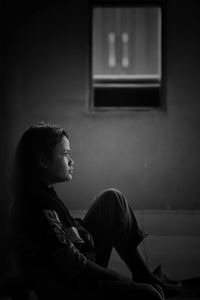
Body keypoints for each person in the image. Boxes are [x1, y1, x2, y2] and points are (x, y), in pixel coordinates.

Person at [10, 122, 181, 300]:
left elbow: (60, 230)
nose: (71, 160)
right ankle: (141, 282)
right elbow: (72, 264)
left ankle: (142, 273)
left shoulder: (43, 192)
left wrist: (78, 226)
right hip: (70, 286)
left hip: (76, 265)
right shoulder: (38, 204)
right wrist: (119, 278)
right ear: (43, 160)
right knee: (151, 295)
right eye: (65, 154)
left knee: (111, 198)